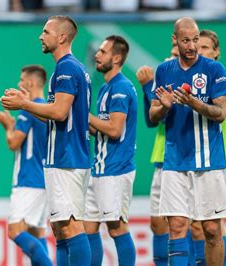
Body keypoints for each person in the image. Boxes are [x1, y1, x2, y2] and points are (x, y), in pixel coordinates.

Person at [1, 15, 92, 266]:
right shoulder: (69, 68)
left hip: (67, 157)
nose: (41, 36)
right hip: (63, 157)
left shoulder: (67, 67)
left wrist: (24, 104)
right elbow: (56, 117)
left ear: (61, 37)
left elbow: (60, 112)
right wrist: (28, 106)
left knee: (72, 227)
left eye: (46, 32)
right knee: (61, 228)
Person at [149, 17, 226, 266]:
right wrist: (163, 108)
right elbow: (153, 115)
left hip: (209, 159)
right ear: (175, 40)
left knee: (211, 229)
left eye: (195, 40)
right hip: (175, 159)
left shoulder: (215, 70)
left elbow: (221, 113)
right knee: (176, 226)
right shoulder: (163, 70)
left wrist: (194, 102)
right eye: (186, 40)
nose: (192, 46)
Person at [83, 35, 137, 266]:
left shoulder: (121, 88)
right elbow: (102, 130)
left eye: (103, 52)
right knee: (88, 228)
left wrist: (85, 115)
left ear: (116, 58)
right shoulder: (106, 88)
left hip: (116, 170)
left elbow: (115, 130)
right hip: (100, 168)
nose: (97, 54)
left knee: (117, 229)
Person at [0, 65, 52, 266]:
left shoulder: (28, 109)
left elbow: (14, 142)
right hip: (44, 180)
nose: (19, 84)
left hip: (28, 179)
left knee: (15, 231)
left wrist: (8, 127)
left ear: (30, 82)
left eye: (21, 80)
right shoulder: (47, 109)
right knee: (36, 233)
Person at [189, 29, 226, 266]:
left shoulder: (217, 80)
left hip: (214, 157)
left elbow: (220, 115)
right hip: (191, 158)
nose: (199, 51)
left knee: (212, 226)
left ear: (216, 53)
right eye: (198, 46)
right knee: (195, 226)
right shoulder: (191, 77)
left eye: (206, 47)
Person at [136, 42, 178, 266]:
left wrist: (147, 86)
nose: (168, 59)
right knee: (157, 223)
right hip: (162, 159)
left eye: (174, 55)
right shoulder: (165, 80)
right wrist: (148, 90)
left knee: (183, 225)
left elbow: (166, 114)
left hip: (180, 159)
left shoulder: (185, 82)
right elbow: (152, 120)